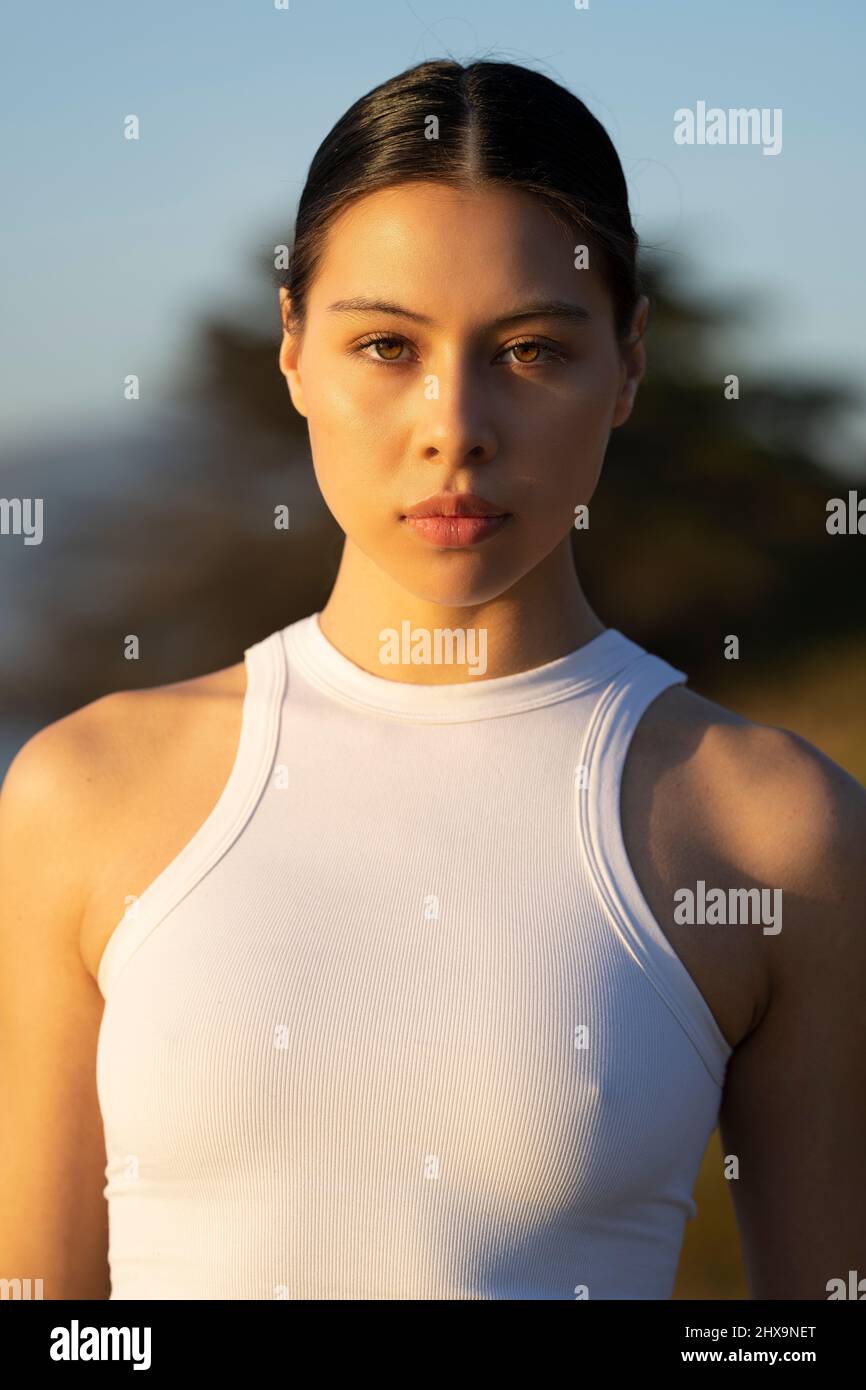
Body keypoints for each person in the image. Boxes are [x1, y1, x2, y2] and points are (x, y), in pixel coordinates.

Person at [1, 58, 864, 1302]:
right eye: (385, 344)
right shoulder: (85, 793)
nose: (452, 422)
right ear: (293, 348)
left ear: (625, 364)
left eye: (527, 349)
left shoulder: (772, 832)